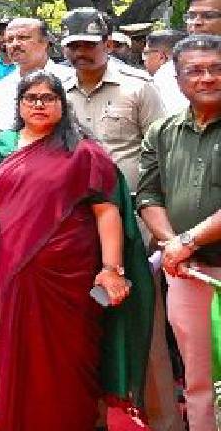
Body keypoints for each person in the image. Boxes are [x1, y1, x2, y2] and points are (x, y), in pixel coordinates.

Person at [0, 70, 136, 431]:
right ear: (19, 105)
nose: (39, 105)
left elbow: (106, 210)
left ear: (63, 105)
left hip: (69, 274)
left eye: (48, 98)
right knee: (18, 349)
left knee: (69, 355)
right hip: (12, 267)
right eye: (30, 98)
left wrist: (111, 268)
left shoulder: (83, 151)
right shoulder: (3, 144)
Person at [59, 8, 181, 431]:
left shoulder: (138, 88)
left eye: (89, 45)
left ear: (108, 44)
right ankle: (89, 417)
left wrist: (154, 221)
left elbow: (162, 154)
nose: (81, 53)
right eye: (73, 46)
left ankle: (163, 420)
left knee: (143, 320)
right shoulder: (55, 90)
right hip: (74, 227)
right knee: (84, 322)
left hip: (133, 225)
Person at [137, 34, 221, 431]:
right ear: (177, 76)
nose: (207, 78)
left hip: (196, 258)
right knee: (198, 376)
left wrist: (187, 240)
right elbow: (149, 194)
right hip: (188, 273)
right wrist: (173, 243)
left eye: (216, 69)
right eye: (195, 71)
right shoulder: (162, 131)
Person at [0, 17, 74, 129]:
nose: (15, 44)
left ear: (45, 43)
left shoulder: (71, 81)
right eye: (9, 40)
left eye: (23, 38)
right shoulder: (1, 88)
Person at [144, 29, 188, 115]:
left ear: (161, 57)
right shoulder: (193, 73)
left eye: (146, 53)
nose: (144, 59)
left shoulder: (162, 79)